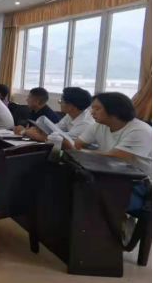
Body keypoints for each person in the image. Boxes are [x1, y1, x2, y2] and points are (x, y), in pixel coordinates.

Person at [65, 93, 152, 243]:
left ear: (115, 110)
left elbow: (114, 157)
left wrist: (74, 149)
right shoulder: (98, 126)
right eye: (92, 108)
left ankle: (114, 233)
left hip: (141, 185)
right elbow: (76, 145)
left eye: (97, 108)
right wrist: (71, 147)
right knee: (70, 183)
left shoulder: (139, 131)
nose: (92, 113)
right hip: (111, 175)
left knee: (88, 194)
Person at [23, 87, 94, 142]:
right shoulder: (70, 115)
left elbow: (59, 138)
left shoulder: (84, 124)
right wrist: (38, 130)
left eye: (61, 101)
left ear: (70, 107)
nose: (60, 104)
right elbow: (55, 128)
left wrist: (25, 132)